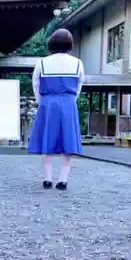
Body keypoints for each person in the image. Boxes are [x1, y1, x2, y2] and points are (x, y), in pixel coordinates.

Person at [28, 29, 85, 190]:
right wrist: (71, 100)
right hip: (68, 102)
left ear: (51, 43)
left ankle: (47, 178)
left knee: (48, 139)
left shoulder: (42, 62)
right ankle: (63, 180)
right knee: (68, 141)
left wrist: (42, 102)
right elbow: (80, 84)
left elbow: (36, 84)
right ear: (70, 44)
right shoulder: (78, 63)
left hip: (48, 102)